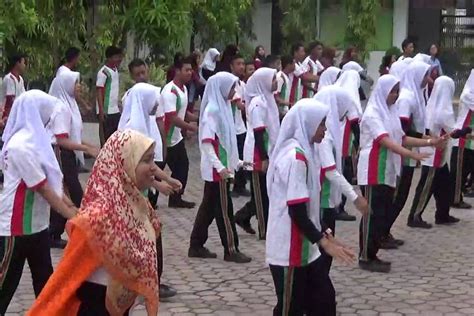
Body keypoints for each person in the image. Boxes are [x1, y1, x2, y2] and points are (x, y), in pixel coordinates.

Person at [28, 129, 161, 315]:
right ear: (124, 165)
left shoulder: (138, 208)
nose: (154, 167)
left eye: (152, 159)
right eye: (147, 160)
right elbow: (65, 277)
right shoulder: (97, 219)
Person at [266, 98, 355, 316]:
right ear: (308, 123)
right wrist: (324, 242)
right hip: (290, 248)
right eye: (321, 123)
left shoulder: (305, 151)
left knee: (323, 300)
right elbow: (296, 211)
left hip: (305, 247)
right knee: (290, 308)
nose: (325, 129)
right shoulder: (295, 158)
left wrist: (326, 232)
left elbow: (309, 207)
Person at [357, 75, 444, 273]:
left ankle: (373, 253)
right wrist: (411, 155)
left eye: (397, 91)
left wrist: (431, 142)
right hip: (373, 168)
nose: (395, 95)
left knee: (383, 212)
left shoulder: (391, 112)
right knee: (372, 213)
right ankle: (365, 256)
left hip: (386, 168)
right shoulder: (373, 113)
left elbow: (402, 137)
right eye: (392, 91)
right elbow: (385, 140)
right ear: (383, 91)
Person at [0, 90, 77, 313]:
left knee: (45, 283)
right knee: (5, 285)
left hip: (37, 226)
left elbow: (53, 182)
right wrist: (72, 216)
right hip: (15, 229)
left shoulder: (37, 141)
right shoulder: (21, 146)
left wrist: (74, 209)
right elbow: (43, 188)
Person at [124, 60, 181, 300]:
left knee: (147, 239)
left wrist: (166, 177)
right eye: (153, 100)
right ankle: (149, 284)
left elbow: (148, 163)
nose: (156, 104)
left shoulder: (142, 124)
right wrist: (159, 184)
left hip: (141, 196)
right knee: (149, 238)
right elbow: (134, 171)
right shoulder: (130, 131)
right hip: (131, 197)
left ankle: (145, 282)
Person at [189, 72, 252, 263]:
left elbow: (226, 141)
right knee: (225, 210)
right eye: (232, 87)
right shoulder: (212, 111)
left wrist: (238, 162)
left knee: (208, 207)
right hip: (219, 172)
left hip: (223, 168)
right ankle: (231, 249)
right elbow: (207, 143)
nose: (234, 91)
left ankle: (196, 245)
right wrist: (220, 167)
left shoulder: (223, 107)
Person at [314, 86, 369, 273]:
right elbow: (331, 172)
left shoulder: (329, 133)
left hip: (328, 202)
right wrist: (355, 197)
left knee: (326, 253)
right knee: (322, 254)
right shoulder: (325, 137)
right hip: (322, 201)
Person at [48, 70, 100, 249]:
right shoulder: (62, 107)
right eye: (75, 83)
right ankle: (88, 231)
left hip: (67, 153)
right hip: (61, 153)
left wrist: (88, 146)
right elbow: (61, 139)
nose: (78, 86)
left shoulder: (70, 105)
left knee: (66, 192)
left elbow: (73, 136)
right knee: (74, 193)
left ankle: (55, 232)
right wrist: (86, 148)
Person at [408, 76, 470, 226]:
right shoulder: (443, 109)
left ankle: (442, 214)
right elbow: (452, 130)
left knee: (445, 185)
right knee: (426, 186)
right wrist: (465, 131)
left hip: (438, 153)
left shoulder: (431, 104)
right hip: (434, 153)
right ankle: (414, 216)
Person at [235, 68, 280, 239]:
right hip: (257, 154)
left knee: (264, 192)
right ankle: (264, 229)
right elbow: (259, 132)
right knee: (261, 194)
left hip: (267, 151)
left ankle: (242, 216)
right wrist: (264, 158)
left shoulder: (268, 99)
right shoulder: (257, 104)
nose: (276, 82)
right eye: (273, 79)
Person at [387, 61, 432, 232]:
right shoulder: (406, 97)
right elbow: (403, 129)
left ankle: (385, 231)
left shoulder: (416, 95)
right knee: (398, 194)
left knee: (402, 194)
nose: (427, 80)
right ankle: (383, 232)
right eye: (425, 75)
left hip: (411, 150)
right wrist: (424, 138)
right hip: (404, 152)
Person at [162, 56, 198, 208]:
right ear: (177, 71)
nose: (190, 73)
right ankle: (151, 197)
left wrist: (199, 118)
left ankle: (176, 198)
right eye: (187, 70)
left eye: (191, 70)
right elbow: (172, 117)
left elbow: (183, 113)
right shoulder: (170, 91)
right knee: (158, 169)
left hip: (175, 138)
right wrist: (190, 128)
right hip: (166, 137)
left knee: (181, 167)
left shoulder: (182, 89)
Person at [334, 70, 362, 222]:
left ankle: (336, 205)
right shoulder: (349, 96)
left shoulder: (337, 92)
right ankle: (339, 206)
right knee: (344, 172)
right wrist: (359, 142)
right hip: (344, 140)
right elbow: (354, 122)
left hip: (334, 137)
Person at [450, 69, 474, 209]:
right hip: (461, 138)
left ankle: (458, 196)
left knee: (466, 169)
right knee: (459, 171)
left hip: (469, 139)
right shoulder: (467, 95)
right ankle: (455, 199)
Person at [229, 54, 250, 197]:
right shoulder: (228, 84)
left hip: (240, 126)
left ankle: (241, 185)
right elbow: (240, 105)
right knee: (233, 157)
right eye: (238, 64)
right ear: (231, 66)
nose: (241, 67)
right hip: (230, 127)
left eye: (243, 64)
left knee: (243, 155)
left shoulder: (243, 85)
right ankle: (232, 185)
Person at [96, 46, 123, 144]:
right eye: (116, 57)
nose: (119, 59)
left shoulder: (115, 70)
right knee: (106, 135)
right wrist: (101, 110)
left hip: (115, 109)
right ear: (109, 58)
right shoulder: (103, 72)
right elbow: (99, 90)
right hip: (107, 110)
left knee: (115, 135)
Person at [1, 54, 27, 122]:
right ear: (18, 63)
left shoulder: (20, 79)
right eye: (23, 63)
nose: (24, 65)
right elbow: (9, 101)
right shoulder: (9, 78)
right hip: (6, 114)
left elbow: (24, 96)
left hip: (15, 113)